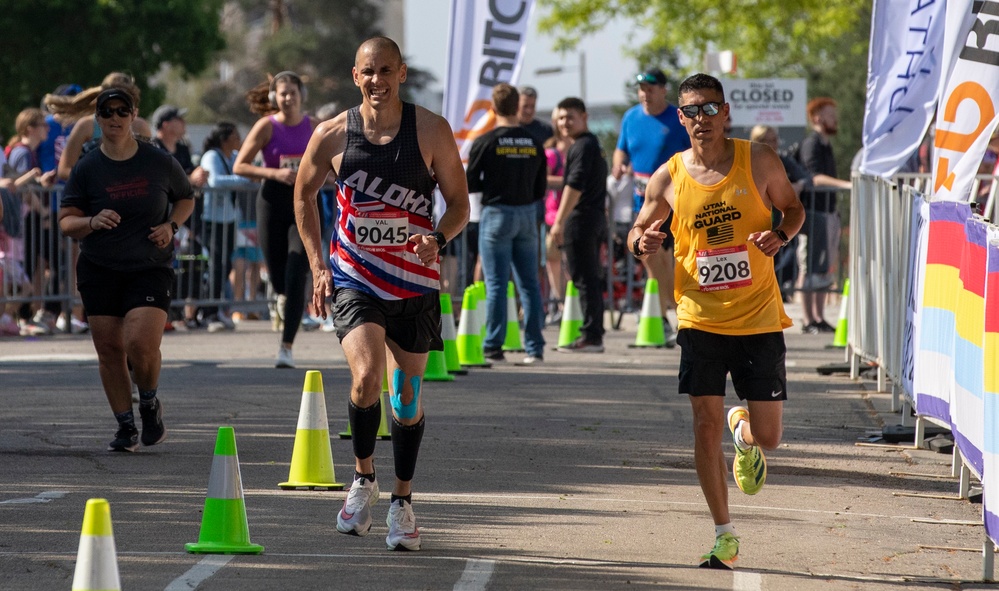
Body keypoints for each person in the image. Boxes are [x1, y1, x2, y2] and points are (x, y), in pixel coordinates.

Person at [293, 36, 469, 552]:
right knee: (367, 377)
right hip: (355, 276)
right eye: (368, 73)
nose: (377, 81)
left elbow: (458, 205)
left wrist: (436, 238)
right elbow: (303, 194)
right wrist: (318, 264)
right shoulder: (331, 135)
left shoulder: (432, 130)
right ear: (355, 76)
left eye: (386, 71)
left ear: (402, 73)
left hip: (414, 282)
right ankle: (362, 480)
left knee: (407, 398)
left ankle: (402, 501)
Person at [629, 73, 804, 569]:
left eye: (709, 109)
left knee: (771, 437)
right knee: (703, 424)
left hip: (758, 317)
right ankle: (724, 534)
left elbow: (792, 208)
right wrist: (641, 242)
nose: (701, 120)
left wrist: (781, 236)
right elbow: (639, 228)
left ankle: (745, 432)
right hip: (699, 318)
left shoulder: (759, 160)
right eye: (691, 112)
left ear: (725, 113)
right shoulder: (668, 176)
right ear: (680, 118)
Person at [58, 88, 195, 452]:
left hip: (149, 266)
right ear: (98, 118)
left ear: (133, 114)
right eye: (107, 111)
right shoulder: (88, 167)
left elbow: (186, 197)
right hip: (100, 268)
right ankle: (125, 427)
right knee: (108, 349)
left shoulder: (157, 160)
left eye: (122, 111)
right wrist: (91, 220)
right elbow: (66, 221)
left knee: (139, 343)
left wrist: (172, 227)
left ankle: (148, 403)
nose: (115, 118)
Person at [233, 70, 320, 368]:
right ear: (274, 97)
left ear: (301, 95)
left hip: (304, 204)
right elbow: (240, 166)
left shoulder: (315, 127)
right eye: (282, 93)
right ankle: (283, 298)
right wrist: (275, 173)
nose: (287, 98)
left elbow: (335, 161)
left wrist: (329, 175)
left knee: (298, 270)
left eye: (292, 93)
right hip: (271, 201)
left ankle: (286, 346)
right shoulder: (265, 127)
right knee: (279, 276)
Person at [465, 83, 548, 364]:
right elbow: (541, 189)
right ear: (517, 107)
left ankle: (493, 344)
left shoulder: (485, 141)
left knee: (497, 283)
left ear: (493, 108)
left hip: (497, 214)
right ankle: (535, 347)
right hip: (527, 214)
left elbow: (470, 183)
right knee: (530, 284)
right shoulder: (534, 142)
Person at [612, 68, 691, 347]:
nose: (645, 93)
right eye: (641, 89)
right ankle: (670, 317)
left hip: (675, 202)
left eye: (651, 88)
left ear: (663, 90)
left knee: (665, 261)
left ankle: (677, 316)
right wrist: (619, 163)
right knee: (649, 259)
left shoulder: (677, 118)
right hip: (640, 201)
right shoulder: (631, 117)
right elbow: (621, 148)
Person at [549, 97, 608, 353]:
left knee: (584, 279)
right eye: (561, 117)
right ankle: (593, 333)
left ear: (584, 117)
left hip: (582, 220)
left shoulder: (582, 146)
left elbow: (575, 185)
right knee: (588, 277)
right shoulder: (589, 144)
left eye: (570, 117)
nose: (564, 122)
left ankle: (591, 336)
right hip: (591, 218)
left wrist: (559, 221)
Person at [797, 97, 851, 334]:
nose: (834, 119)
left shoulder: (825, 144)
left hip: (828, 212)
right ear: (817, 117)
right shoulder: (812, 144)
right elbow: (813, 177)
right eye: (829, 114)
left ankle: (818, 317)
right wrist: (846, 185)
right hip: (813, 212)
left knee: (822, 269)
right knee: (810, 266)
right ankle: (809, 319)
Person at [51, 72, 153, 182]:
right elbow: (64, 170)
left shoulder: (140, 127)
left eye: (123, 109)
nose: (115, 117)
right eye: (109, 109)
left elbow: (150, 167)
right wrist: (98, 179)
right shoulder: (86, 126)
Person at [750, 125, 812, 301]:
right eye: (766, 140)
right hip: (756, 217)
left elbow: (807, 178)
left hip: (779, 218)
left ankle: (778, 287)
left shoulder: (783, 159)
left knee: (784, 250)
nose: (772, 144)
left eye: (775, 140)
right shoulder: (747, 161)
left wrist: (796, 186)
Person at [199, 121, 248, 332]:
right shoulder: (212, 156)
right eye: (236, 135)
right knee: (217, 265)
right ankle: (208, 313)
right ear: (225, 138)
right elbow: (216, 181)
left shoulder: (233, 157)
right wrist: (246, 179)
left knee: (225, 266)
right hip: (212, 220)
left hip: (228, 220)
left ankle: (217, 309)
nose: (239, 139)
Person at [542, 109, 573, 324]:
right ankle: (563, 304)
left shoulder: (581, 147)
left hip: (576, 214)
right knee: (553, 258)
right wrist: (572, 185)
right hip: (553, 215)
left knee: (571, 262)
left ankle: (571, 304)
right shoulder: (551, 153)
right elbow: (542, 179)